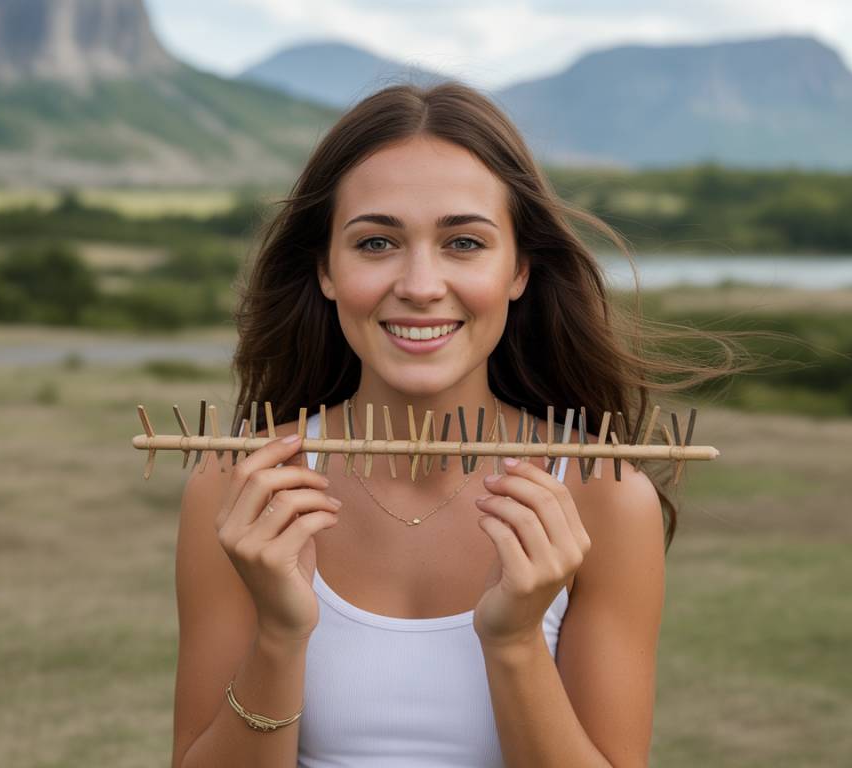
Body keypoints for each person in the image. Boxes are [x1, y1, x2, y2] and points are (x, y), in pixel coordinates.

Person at [170, 81, 731, 768]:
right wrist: (281, 636)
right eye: (376, 242)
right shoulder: (243, 486)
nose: (421, 283)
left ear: (519, 269)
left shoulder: (604, 494)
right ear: (325, 269)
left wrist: (516, 642)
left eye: (464, 242)